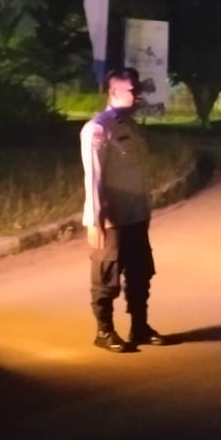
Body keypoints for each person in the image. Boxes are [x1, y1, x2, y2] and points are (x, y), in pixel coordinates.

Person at [80, 66, 164, 352]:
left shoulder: (132, 126)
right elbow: (93, 177)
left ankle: (140, 327)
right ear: (114, 91)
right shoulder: (98, 129)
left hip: (136, 214)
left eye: (138, 89)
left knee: (140, 273)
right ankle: (104, 331)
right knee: (106, 276)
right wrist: (95, 219)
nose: (138, 94)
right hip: (112, 218)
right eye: (132, 89)